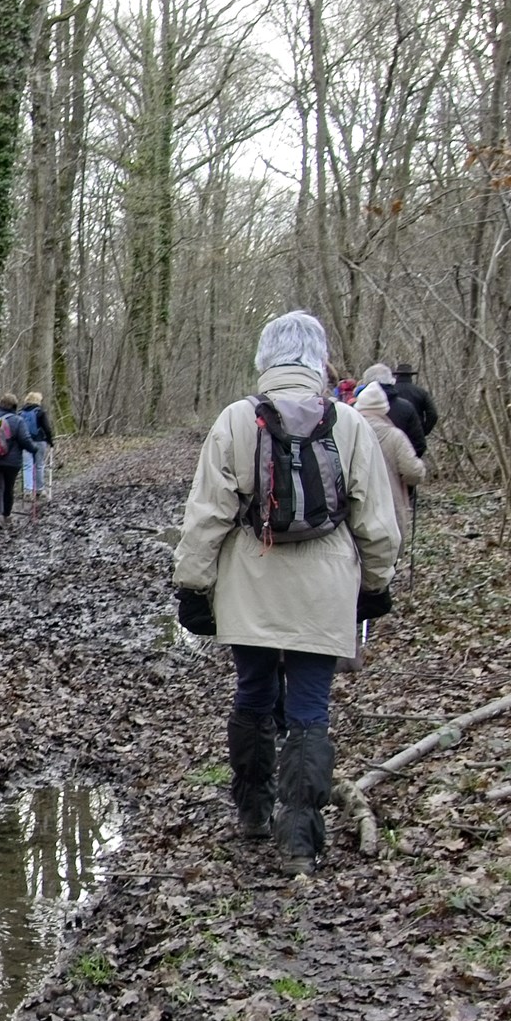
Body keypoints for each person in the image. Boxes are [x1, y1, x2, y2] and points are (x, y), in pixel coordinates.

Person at [171, 311, 404, 872]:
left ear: (265, 359)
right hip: (324, 587)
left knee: (252, 693)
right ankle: (300, 836)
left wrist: (193, 586)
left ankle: (252, 809)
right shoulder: (347, 424)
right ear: (319, 361)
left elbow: (207, 515)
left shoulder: (236, 420)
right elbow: (378, 520)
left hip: (252, 581)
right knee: (309, 709)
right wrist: (374, 583)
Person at [355, 381, 425, 538]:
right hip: (389, 508)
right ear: (384, 409)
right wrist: (420, 467)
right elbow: (413, 472)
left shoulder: (346, 431)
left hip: (353, 508)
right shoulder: (395, 436)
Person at [385, 363, 439, 457]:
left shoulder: (389, 392)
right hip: (414, 438)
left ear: (397, 376)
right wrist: (423, 431)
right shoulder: (421, 392)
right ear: (411, 376)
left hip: (391, 437)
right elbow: (433, 414)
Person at [22, 389, 58, 510]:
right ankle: (39, 490)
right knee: (39, 465)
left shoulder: (21, 412)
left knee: (27, 465)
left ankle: (27, 490)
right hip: (39, 441)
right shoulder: (40, 412)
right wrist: (50, 441)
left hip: (26, 442)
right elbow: (47, 428)